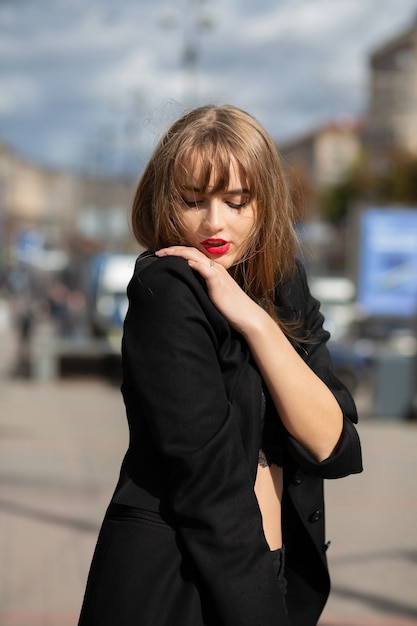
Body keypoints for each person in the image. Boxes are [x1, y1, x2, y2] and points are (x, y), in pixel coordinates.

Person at [78, 104, 362, 626]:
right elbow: (208, 488)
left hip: (271, 571)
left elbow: (334, 446)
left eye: (236, 202)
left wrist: (255, 323)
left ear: (266, 202)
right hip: (179, 580)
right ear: (166, 201)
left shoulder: (283, 284)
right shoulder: (165, 289)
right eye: (193, 201)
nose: (214, 222)